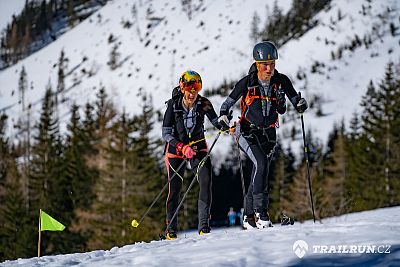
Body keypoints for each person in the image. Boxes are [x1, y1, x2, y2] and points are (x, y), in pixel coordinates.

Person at [218, 41, 308, 230]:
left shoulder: (281, 81)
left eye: (272, 63)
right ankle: (261, 214)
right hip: (247, 132)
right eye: (265, 64)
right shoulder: (247, 82)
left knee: (260, 171)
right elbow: (226, 105)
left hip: (268, 135)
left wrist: (300, 103)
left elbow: (295, 99)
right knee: (261, 164)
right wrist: (224, 116)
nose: (269, 68)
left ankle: (248, 217)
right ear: (257, 64)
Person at [162, 70, 221, 239]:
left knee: (206, 180)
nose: (192, 93)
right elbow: (165, 133)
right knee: (175, 189)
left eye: (196, 89)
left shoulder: (204, 103)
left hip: (198, 147)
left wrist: (225, 125)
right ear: (182, 88)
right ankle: (170, 229)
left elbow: (216, 122)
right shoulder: (173, 105)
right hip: (175, 150)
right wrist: (181, 146)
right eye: (189, 89)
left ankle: (204, 226)